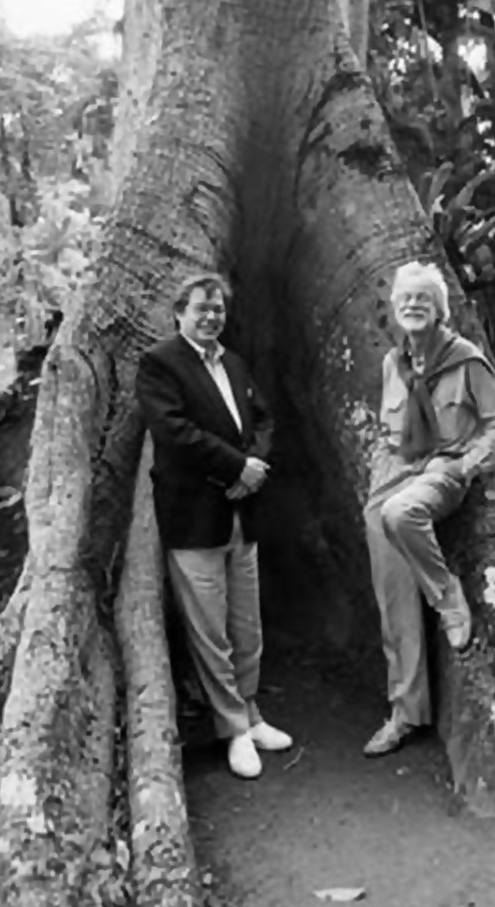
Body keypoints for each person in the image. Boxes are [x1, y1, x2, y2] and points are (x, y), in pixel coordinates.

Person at [135, 272, 293, 779]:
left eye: (218, 309)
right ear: (179, 312)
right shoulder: (160, 363)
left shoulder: (234, 362)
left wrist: (255, 468)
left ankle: (251, 713)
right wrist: (234, 467)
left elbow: (263, 420)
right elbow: (174, 431)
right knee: (210, 632)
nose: (211, 317)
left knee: (247, 626)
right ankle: (232, 731)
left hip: (241, 513)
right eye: (201, 308)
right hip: (194, 515)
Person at [363, 260, 495, 758]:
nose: (412, 305)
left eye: (423, 299)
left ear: (439, 309)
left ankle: (447, 595)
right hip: (392, 476)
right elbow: (390, 427)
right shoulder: (394, 363)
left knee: (402, 515)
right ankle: (405, 712)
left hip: (442, 472)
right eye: (405, 298)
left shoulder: (465, 359)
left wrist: (469, 466)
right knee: (393, 605)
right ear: (394, 309)